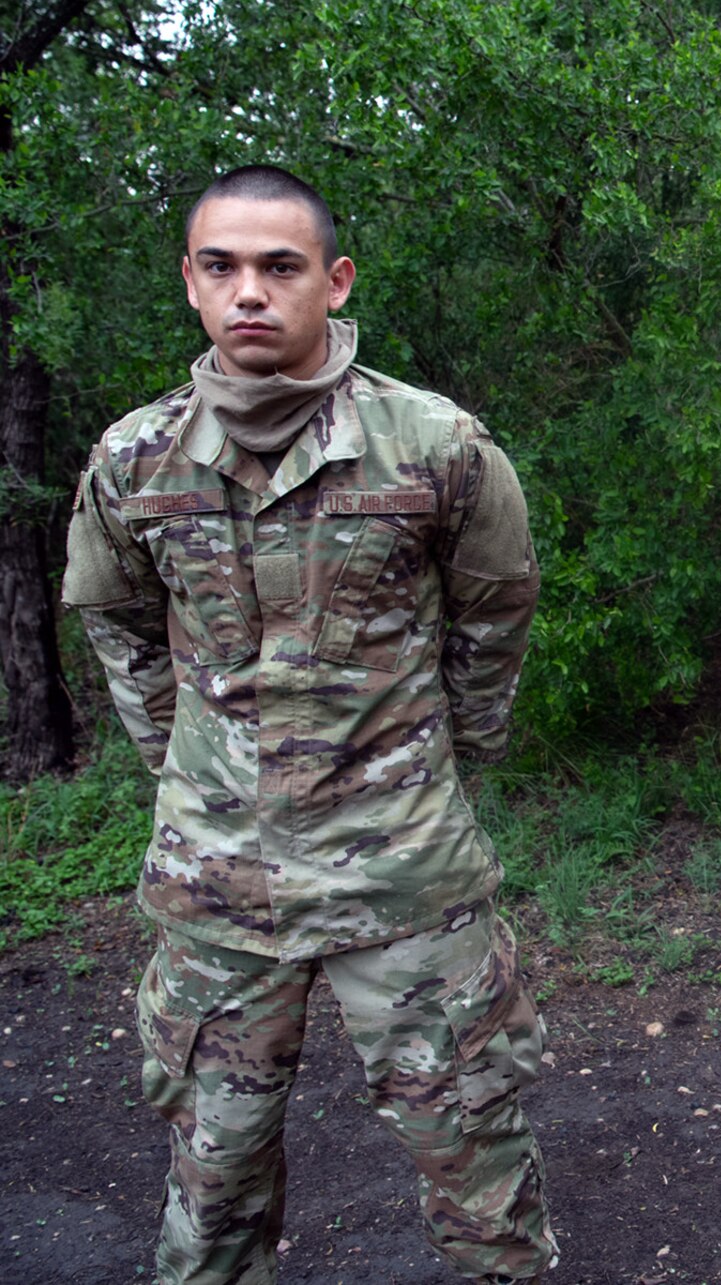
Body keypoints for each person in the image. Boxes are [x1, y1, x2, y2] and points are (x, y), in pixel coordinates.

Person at [61, 165, 554, 1284]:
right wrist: (180, 764)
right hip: (219, 890)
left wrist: (448, 753)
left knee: (477, 1175)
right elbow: (119, 623)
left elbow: (496, 609)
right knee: (214, 1188)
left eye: (280, 267)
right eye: (223, 266)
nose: (251, 292)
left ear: (333, 282)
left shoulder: (433, 445)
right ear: (189, 282)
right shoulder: (135, 458)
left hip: (405, 879)